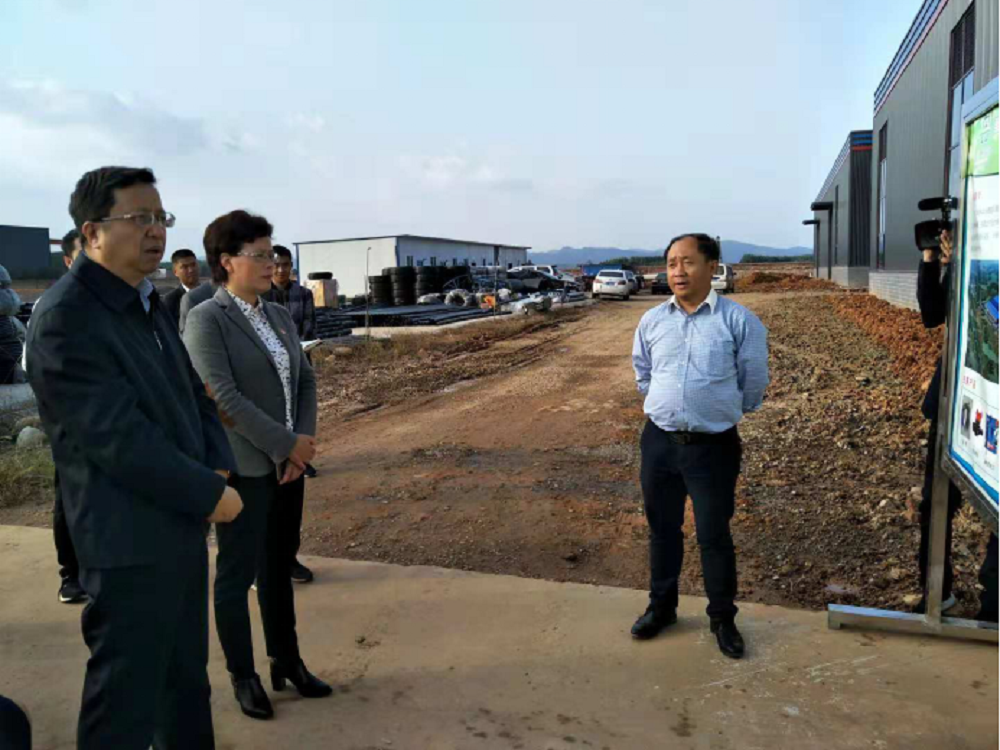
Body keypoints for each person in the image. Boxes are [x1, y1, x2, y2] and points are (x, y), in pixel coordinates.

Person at [26, 166, 243, 750]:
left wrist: (217, 463)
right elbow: (117, 439)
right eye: (139, 218)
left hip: (179, 527)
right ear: (93, 233)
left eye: (161, 217)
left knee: (185, 685)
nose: (157, 230)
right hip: (126, 543)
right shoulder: (66, 318)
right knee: (125, 701)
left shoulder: (148, 301)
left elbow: (192, 392)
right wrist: (208, 492)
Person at [184, 209, 331, 721]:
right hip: (245, 468)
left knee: (276, 568)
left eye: (272, 253)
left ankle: (286, 660)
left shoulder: (278, 315)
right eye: (261, 255)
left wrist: (302, 442)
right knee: (236, 574)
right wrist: (285, 445)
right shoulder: (206, 319)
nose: (272, 263)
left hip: (288, 466)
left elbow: (304, 379)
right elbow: (223, 397)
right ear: (227, 261)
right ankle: (242, 675)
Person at [630, 234, 768, 659]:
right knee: (662, 530)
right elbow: (643, 372)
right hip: (659, 443)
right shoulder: (652, 320)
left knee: (713, 535)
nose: (678, 271)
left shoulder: (739, 321)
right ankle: (662, 608)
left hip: (712, 447)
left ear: (712, 267)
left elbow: (753, 380)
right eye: (672, 263)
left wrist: (721, 410)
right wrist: (670, 406)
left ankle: (722, 618)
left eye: (687, 262)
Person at [915, 229, 997, 621]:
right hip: (956, 400)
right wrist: (934, 262)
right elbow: (932, 314)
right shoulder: (973, 267)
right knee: (935, 502)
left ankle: (993, 607)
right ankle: (936, 592)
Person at [265, 244, 318, 576]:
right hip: (267, 397)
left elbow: (310, 327)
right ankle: (266, 564)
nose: (280, 270)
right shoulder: (215, 313)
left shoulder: (302, 295)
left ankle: (288, 558)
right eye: (275, 264)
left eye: (285, 264)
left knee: (291, 496)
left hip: (298, 368)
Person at [51, 230, 87, 604]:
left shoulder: (126, 304)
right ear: (67, 261)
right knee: (70, 501)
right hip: (73, 428)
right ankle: (70, 574)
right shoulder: (57, 308)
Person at [162, 248, 201, 327]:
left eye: (193, 265)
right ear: (175, 272)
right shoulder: (170, 301)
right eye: (185, 267)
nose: (191, 270)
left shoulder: (211, 294)